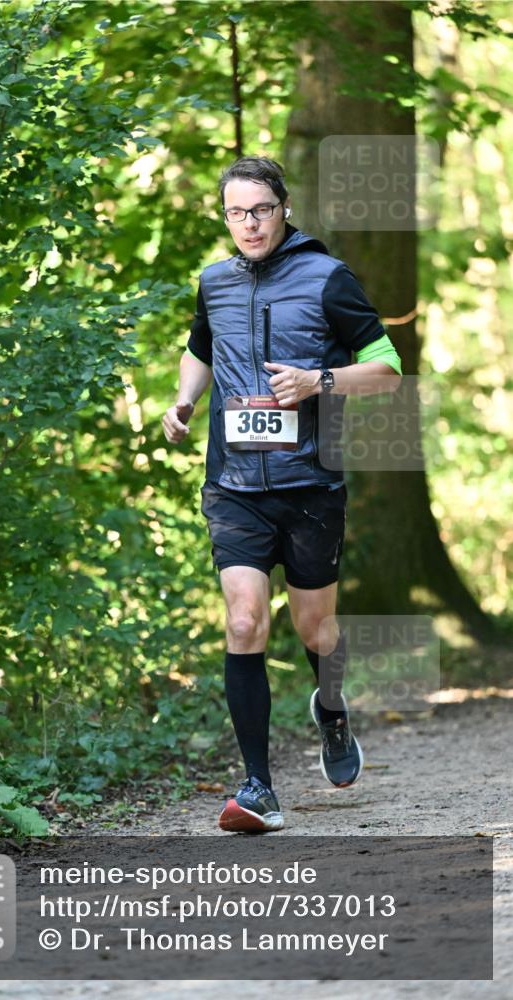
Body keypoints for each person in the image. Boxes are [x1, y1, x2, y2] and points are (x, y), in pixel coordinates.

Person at [162, 156, 402, 833]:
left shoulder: (327, 277)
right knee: (243, 622)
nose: (249, 224)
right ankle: (258, 788)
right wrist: (183, 402)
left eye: (261, 210)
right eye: (236, 212)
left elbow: (386, 368)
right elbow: (199, 349)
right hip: (234, 485)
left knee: (315, 629)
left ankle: (331, 710)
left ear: (283, 208)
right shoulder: (213, 281)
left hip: (309, 486)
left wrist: (317, 381)